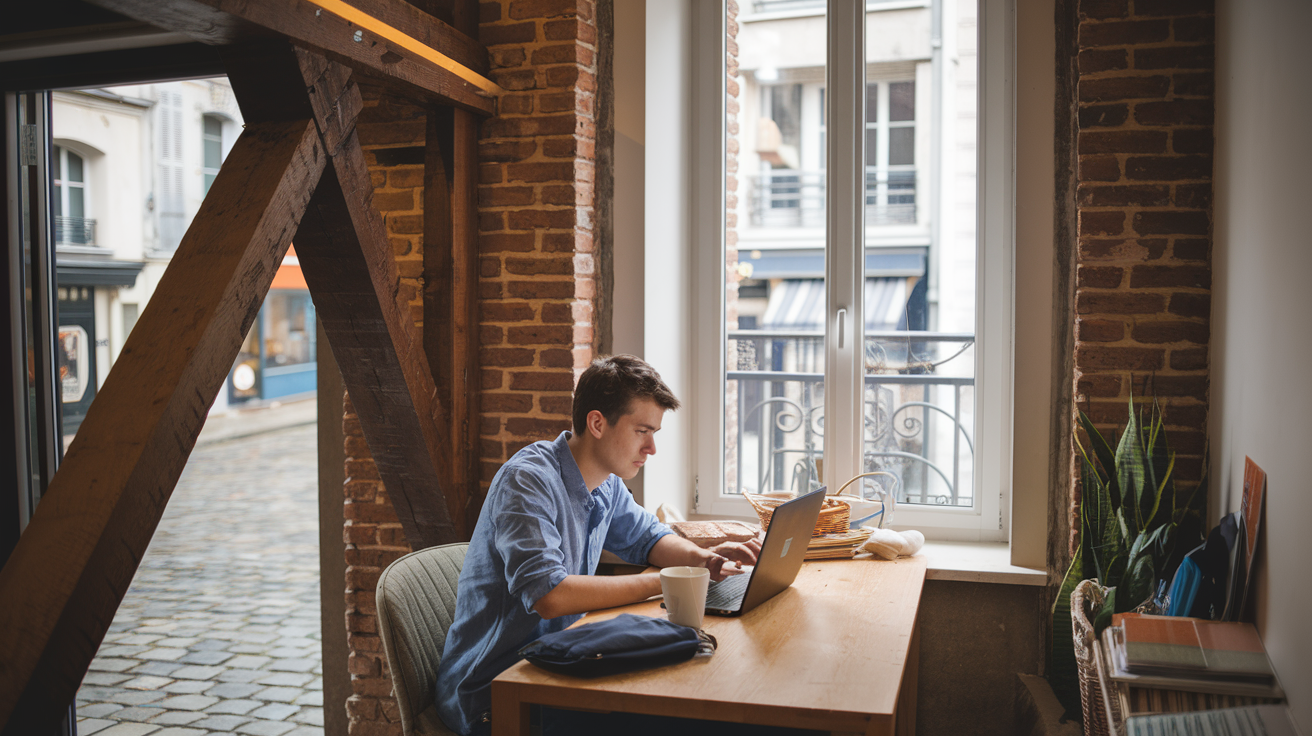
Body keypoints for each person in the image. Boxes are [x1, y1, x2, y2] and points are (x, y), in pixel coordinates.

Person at [435, 355, 761, 736]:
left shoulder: (606, 483)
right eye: (642, 431)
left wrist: (704, 560)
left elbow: (650, 538)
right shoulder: (527, 481)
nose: (652, 448)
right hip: (494, 696)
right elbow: (550, 596)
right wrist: (668, 582)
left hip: (557, 670)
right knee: (690, 718)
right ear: (597, 423)